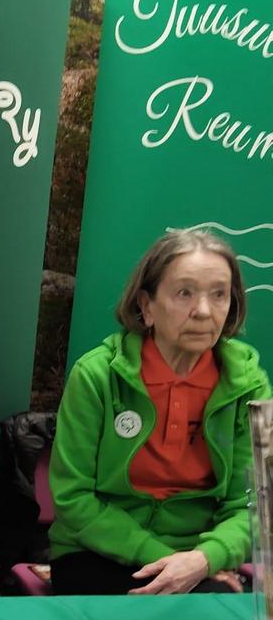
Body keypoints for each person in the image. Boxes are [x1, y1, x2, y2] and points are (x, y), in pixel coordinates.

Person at [49, 229, 270, 595]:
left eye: (219, 294)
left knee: (223, 614)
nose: (203, 311)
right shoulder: (97, 375)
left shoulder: (249, 384)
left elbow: (254, 505)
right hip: (97, 552)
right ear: (146, 306)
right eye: (185, 293)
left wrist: (206, 558)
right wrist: (168, 560)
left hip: (203, 558)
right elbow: (73, 499)